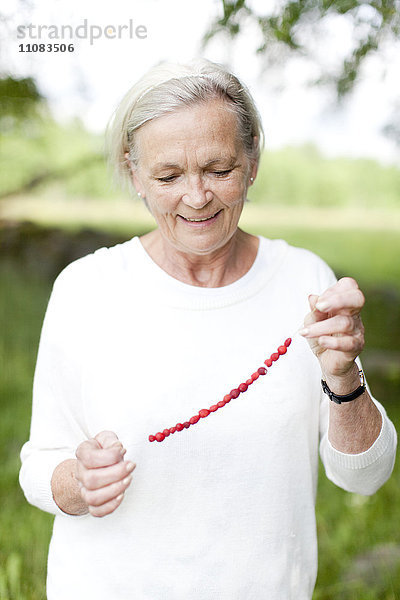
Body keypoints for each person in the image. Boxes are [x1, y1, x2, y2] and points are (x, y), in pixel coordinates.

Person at [19, 58, 396, 600]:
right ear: (134, 174)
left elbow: (366, 476)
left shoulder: (306, 282)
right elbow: (40, 466)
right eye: (168, 176)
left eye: (218, 169)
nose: (196, 197)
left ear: (252, 161)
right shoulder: (87, 288)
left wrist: (343, 377)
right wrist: (76, 484)